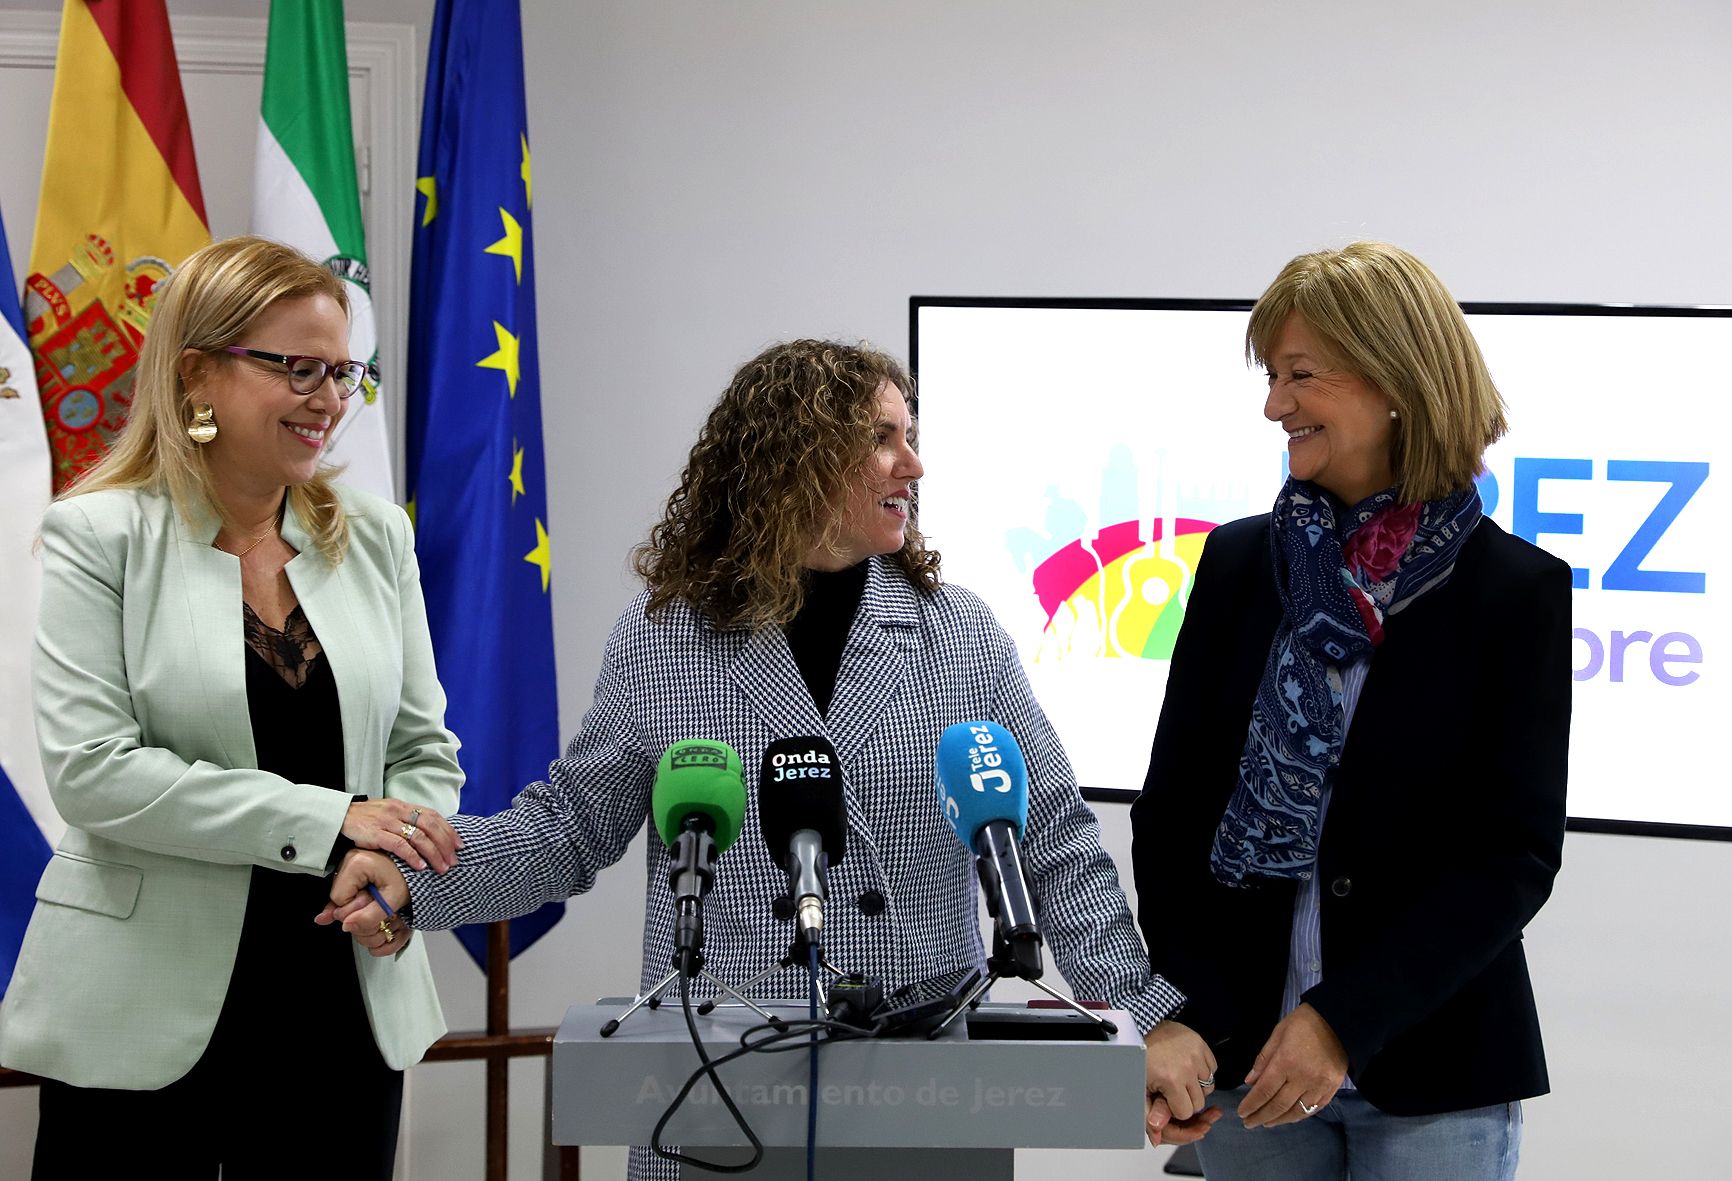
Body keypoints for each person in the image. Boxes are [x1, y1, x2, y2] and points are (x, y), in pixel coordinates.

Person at [322, 338, 1203, 1177]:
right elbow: (567, 829)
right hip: (722, 1081)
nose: (914, 465)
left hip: (928, 1085)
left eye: (913, 439)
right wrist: (417, 878)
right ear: (797, 459)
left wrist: (1141, 1010)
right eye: (883, 439)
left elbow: (1050, 835)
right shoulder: (667, 637)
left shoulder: (957, 631)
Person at [0, 236, 465, 1179]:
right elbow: (96, 773)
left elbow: (424, 748)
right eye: (298, 369)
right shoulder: (99, 534)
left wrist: (390, 862)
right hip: (140, 1009)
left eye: (344, 372)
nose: (330, 401)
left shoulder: (375, 535)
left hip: (343, 990)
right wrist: (334, 817)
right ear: (196, 373)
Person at [1131, 242, 1571, 1178]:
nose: (1273, 404)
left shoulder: (1514, 589)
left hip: (1432, 1068)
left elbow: (1512, 854)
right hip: (1244, 1068)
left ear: (1397, 381)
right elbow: (1172, 814)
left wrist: (1342, 1020)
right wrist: (1184, 1007)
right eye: (1271, 376)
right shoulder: (1241, 566)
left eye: (1300, 375)